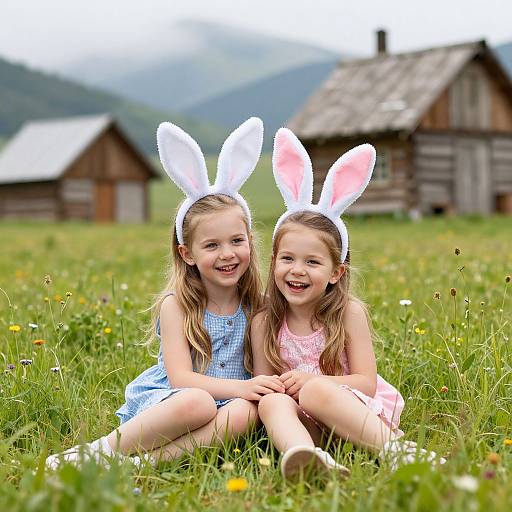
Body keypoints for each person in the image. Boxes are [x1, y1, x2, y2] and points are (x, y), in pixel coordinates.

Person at [46, 117, 285, 469]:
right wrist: (242, 389)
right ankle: (98, 451)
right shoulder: (179, 306)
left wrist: (256, 392)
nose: (228, 254)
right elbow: (181, 379)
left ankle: (143, 465)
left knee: (248, 414)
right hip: (176, 400)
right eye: (211, 245)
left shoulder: (257, 308)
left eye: (237, 240)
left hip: (231, 406)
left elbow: (261, 381)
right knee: (198, 402)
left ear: (250, 241)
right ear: (187, 253)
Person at [251, 128, 443, 480]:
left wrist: (309, 382)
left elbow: (365, 383)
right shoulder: (265, 319)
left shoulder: (347, 312)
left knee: (317, 390)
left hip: (350, 414)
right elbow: (262, 384)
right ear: (274, 260)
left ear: (336, 272)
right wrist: (280, 386)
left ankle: (398, 451)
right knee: (270, 401)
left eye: (312, 262)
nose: (297, 271)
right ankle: (304, 457)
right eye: (287, 259)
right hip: (303, 424)